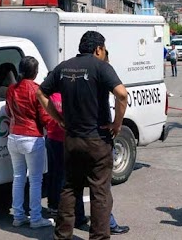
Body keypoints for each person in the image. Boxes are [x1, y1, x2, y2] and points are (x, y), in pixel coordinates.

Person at [37, 31, 129, 240]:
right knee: (100, 191)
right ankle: (98, 237)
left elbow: (40, 93)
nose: (105, 53)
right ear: (98, 49)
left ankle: (62, 235)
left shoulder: (63, 67)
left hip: (72, 139)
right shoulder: (101, 67)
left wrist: (58, 117)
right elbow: (122, 94)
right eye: (104, 49)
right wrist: (117, 123)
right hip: (97, 139)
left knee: (70, 188)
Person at [5, 56, 54, 229]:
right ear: (35, 72)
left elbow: (8, 112)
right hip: (32, 137)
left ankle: (18, 216)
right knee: (35, 180)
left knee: (18, 178)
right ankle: (35, 218)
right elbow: (45, 116)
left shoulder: (11, 89)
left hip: (13, 136)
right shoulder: (36, 89)